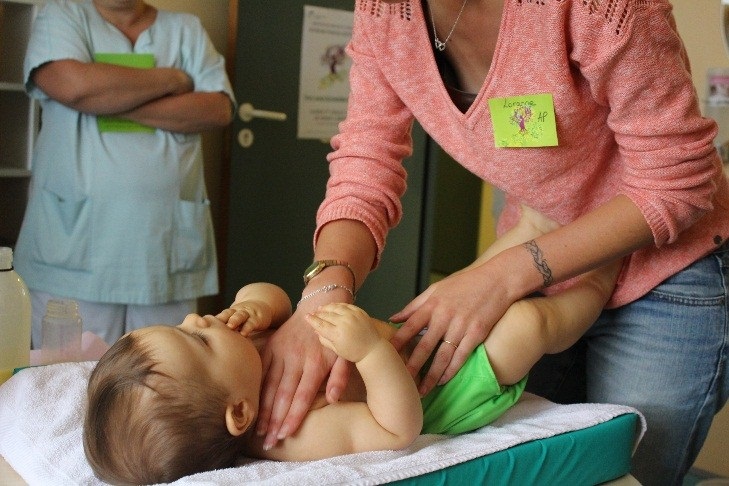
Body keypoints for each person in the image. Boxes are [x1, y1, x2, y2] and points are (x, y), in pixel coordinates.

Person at [258, 1, 729, 485]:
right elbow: (366, 160)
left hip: (666, 268)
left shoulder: (598, 10)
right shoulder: (385, 12)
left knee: (629, 471)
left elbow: (678, 182)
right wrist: (325, 290)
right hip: (538, 254)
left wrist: (505, 274)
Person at [83, 214, 620, 483]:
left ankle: (537, 226)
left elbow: (268, 294)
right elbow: (396, 429)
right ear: (240, 413)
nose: (198, 319)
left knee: (468, 283)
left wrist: (260, 306)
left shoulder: (238, 354)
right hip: (445, 388)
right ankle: (602, 280)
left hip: (410, 340)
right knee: (525, 323)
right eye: (196, 339)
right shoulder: (290, 433)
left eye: (183, 325)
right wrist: (369, 355)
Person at [13, 0, 235, 346]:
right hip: (74, 252)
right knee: (68, 381)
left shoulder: (186, 30)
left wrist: (109, 100)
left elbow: (217, 109)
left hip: (163, 249)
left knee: (162, 382)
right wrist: (173, 78)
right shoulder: (62, 15)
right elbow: (74, 87)